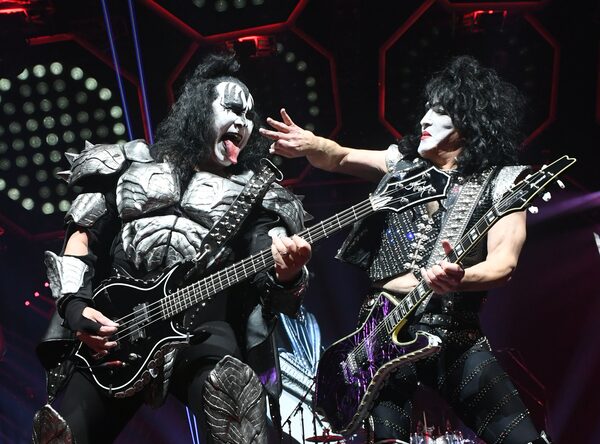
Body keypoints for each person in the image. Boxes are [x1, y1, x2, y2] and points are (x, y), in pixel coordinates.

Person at [260, 55, 550, 444]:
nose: (425, 119)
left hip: (452, 331)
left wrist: (461, 277)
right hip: (378, 333)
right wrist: (311, 143)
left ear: (470, 122)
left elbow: (504, 263)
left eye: (441, 111)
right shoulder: (403, 165)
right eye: (427, 109)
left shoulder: (504, 182)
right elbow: (341, 156)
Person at [33, 52, 312, 444]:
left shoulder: (261, 196)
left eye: (249, 116)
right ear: (198, 109)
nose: (243, 122)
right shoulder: (129, 163)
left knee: (233, 401)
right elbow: (82, 236)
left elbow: (274, 285)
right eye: (232, 109)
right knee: (59, 436)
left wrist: (289, 273)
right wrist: (77, 308)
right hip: (117, 329)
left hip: (202, 329)